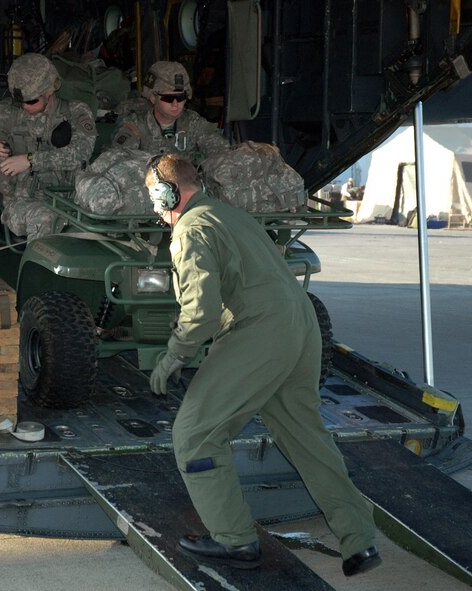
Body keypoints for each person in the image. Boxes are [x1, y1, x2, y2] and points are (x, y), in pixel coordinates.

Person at [145, 154, 381, 575]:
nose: (153, 207)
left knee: (195, 435)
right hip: (300, 324)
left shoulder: (191, 228)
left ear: (167, 194)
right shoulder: (229, 214)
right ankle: (359, 540)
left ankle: (234, 540)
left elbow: (200, 311)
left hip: (259, 330)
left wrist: (174, 356)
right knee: (305, 436)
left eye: (152, 196)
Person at [0, 53, 97, 240]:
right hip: (21, 203)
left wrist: (30, 160)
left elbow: (81, 152)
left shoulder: (75, 112)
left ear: (49, 92)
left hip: (72, 201)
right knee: (46, 220)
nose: (24, 106)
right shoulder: (4, 113)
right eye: (19, 101)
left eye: (31, 101)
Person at [110, 61, 228, 162]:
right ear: (153, 98)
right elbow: (118, 160)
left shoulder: (193, 123)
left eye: (180, 97)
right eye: (168, 98)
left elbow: (220, 151)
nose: (175, 104)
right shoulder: (135, 124)